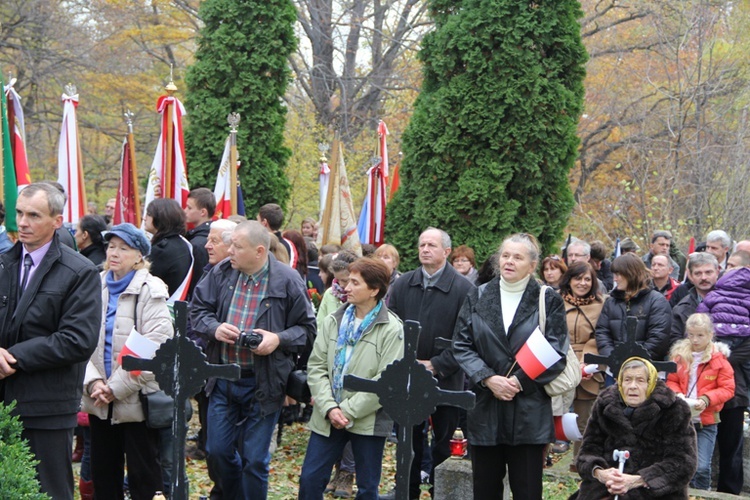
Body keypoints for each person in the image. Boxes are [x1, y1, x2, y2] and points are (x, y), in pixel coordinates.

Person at [190, 220, 316, 499]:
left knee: (255, 460)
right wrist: (214, 328)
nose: (229, 250)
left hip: (264, 382)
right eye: (230, 244)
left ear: (259, 251)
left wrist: (277, 339)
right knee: (217, 452)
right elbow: (197, 312)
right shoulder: (220, 273)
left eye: (237, 246)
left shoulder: (288, 279)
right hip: (223, 379)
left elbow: (307, 330)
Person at [0, 182, 101, 499]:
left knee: (49, 492)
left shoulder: (79, 271)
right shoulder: (4, 263)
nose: (23, 222)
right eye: (19, 213)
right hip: (3, 401)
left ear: (57, 220)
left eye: (34, 215)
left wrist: (11, 358)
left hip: (46, 407)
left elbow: (77, 339)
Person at [453, 233, 568, 499]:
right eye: (505, 255)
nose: (509, 261)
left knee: (527, 490)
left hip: (528, 410)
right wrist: (488, 378)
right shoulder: (478, 295)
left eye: (518, 257)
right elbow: (461, 344)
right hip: (486, 408)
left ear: (532, 264)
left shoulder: (547, 298)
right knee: (485, 490)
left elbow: (555, 349)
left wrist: (518, 381)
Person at [298, 258, 404, 499]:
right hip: (328, 413)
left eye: (355, 283)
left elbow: (388, 380)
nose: (347, 287)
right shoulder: (332, 321)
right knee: (310, 479)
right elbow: (316, 366)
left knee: (367, 488)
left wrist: (346, 411)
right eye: (348, 281)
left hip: (369, 419)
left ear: (374, 290)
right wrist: (330, 407)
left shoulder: (392, 329)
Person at [81, 223, 173, 500]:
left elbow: (156, 345)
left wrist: (115, 388)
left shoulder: (150, 289)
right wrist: (94, 382)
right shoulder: (93, 286)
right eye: (111, 246)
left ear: (139, 257)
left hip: (136, 400)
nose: (115, 253)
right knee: (103, 475)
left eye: (124, 248)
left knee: (143, 477)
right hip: (98, 400)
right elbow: (79, 339)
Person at [387, 227, 475, 499]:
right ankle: (407, 491)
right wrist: (405, 362)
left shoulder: (464, 289)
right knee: (407, 440)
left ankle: (441, 491)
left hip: (447, 378)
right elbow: (391, 327)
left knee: (444, 441)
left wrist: (436, 364)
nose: (425, 249)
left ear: (446, 252)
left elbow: (468, 338)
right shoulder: (404, 284)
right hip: (408, 376)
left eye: (432, 245)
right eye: (422, 244)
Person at [575, 357, 697, 499]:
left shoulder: (674, 409)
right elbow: (587, 452)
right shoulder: (605, 405)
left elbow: (682, 463)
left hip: (654, 491)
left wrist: (637, 480)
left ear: (650, 383)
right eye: (627, 380)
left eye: (640, 380)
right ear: (620, 382)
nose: (632, 386)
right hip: (607, 487)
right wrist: (600, 473)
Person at [696, 262, 750, 494]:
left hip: (713, 383)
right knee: (729, 448)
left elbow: (696, 331)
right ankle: (728, 493)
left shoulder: (712, 297)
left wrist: (715, 358)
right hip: (730, 386)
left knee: (728, 444)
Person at [666, 313, 734, 490]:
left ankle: (703, 494)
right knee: (680, 464)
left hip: (706, 421)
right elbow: (671, 380)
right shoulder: (679, 356)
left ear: (710, 335)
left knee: (702, 467)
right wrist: (678, 394)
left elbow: (728, 388)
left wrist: (707, 398)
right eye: (691, 335)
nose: (695, 340)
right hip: (683, 419)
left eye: (700, 335)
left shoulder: (719, 360)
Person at [558, 261, 605, 462]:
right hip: (559, 363)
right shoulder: (556, 302)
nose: (583, 283)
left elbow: (601, 335)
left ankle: (580, 465)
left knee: (584, 421)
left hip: (588, 367)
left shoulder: (601, 305)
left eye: (588, 279)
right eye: (578, 278)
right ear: (569, 280)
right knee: (553, 416)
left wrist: (587, 362)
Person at [595, 253, 672, 361]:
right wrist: (613, 358)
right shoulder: (611, 302)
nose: (615, 279)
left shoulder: (657, 301)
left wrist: (633, 362)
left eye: (618, 274)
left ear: (631, 274)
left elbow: (659, 339)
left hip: (645, 370)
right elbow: (602, 333)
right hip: (614, 368)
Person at [144, 198, 193, 301]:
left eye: (148, 214)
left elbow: (144, 283)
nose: (144, 218)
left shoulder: (162, 250)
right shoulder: (182, 243)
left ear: (160, 217)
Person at [669, 252, 719, 346]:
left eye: (708, 272)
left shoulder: (733, 302)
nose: (703, 277)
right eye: (698, 273)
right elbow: (675, 342)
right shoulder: (680, 309)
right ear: (690, 276)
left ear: (717, 272)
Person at [184, 187, 216, 297]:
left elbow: (197, 281)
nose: (185, 211)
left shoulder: (198, 243)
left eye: (189, 208)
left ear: (203, 212)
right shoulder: (197, 237)